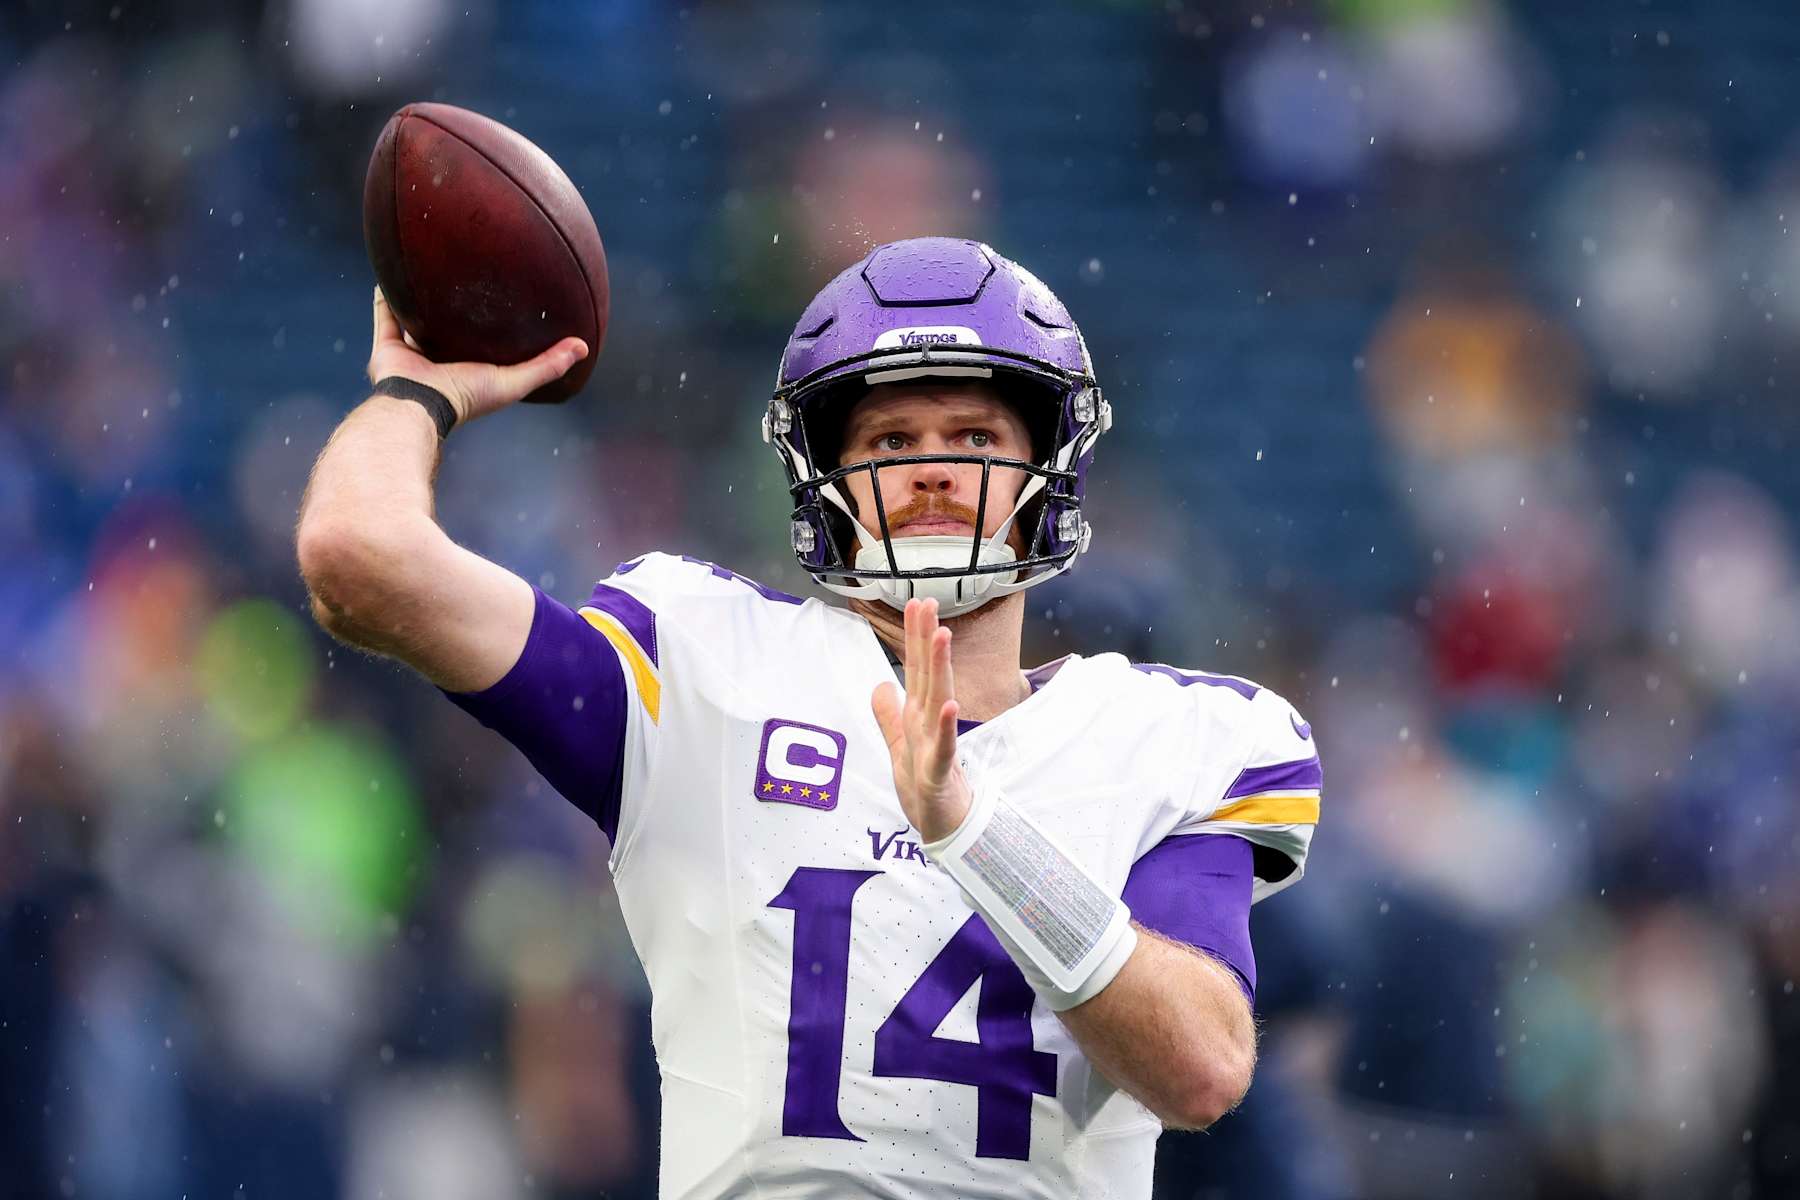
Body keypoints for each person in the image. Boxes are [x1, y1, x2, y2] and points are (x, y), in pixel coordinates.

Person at [296, 237, 1320, 1198]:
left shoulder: (1176, 740)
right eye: (889, 437)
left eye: (974, 435)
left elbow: (1203, 1068)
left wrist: (974, 831)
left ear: (1048, 466)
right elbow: (356, 560)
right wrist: (416, 394)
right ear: (823, 479)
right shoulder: (704, 670)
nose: (931, 466)